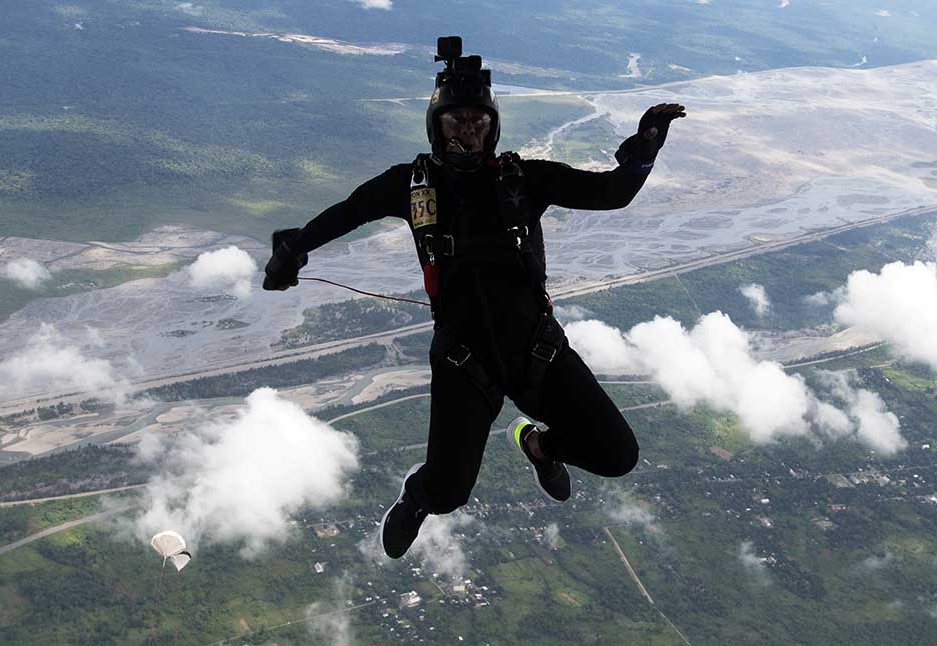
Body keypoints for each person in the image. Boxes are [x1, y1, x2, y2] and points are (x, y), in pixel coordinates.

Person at [264, 37, 686, 559]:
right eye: (455, 122)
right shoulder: (412, 185)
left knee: (618, 453)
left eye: (478, 122)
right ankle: (418, 498)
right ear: (436, 125)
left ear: (493, 125)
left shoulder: (525, 178)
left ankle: (540, 446)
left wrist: (643, 151)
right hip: (466, 362)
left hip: (538, 351)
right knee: (448, 492)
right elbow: (348, 212)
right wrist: (293, 250)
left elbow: (609, 194)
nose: (468, 132)